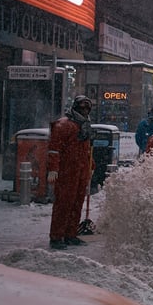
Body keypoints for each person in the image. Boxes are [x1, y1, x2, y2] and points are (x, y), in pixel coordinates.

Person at [47, 95, 94, 250]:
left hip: (80, 171)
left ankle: (70, 234)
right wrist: (53, 168)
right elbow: (54, 149)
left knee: (76, 203)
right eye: (82, 107)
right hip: (67, 171)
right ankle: (56, 236)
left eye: (87, 108)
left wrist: (90, 166)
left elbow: (87, 150)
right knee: (63, 204)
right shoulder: (63, 125)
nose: (85, 110)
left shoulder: (85, 126)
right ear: (75, 107)